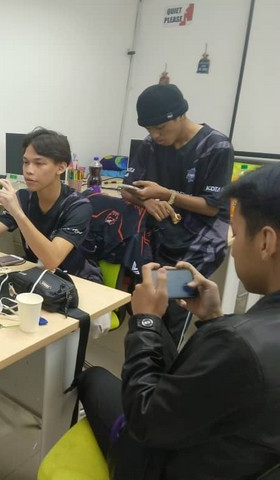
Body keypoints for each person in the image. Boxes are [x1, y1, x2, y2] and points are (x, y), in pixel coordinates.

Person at [78, 163, 280, 479]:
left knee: (92, 379)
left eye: (237, 234)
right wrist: (213, 318)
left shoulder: (238, 344)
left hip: (167, 463)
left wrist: (145, 321)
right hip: (238, 450)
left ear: (266, 242)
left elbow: (145, 419)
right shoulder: (242, 338)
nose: (234, 251)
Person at [121, 84, 234, 341]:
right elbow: (127, 190)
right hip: (162, 233)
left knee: (175, 309)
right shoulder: (151, 144)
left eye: (160, 128)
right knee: (149, 304)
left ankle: (167, 362)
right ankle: (147, 354)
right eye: (149, 129)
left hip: (200, 238)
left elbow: (212, 206)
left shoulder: (215, 146)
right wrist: (146, 202)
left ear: (181, 115)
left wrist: (166, 194)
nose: (155, 135)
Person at [0, 127, 99, 281]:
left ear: (61, 167)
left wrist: (17, 213)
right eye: (26, 162)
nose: (29, 170)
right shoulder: (23, 197)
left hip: (75, 280)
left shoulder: (78, 206)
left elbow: (52, 261)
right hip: (38, 276)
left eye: (39, 163)